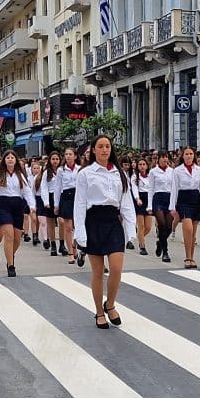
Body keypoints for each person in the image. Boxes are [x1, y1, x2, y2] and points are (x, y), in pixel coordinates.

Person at [74, 135, 137, 328]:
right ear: (93, 150)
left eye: (107, 146)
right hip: (93, 221)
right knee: (98, 272)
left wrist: (130, 227)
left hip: (113, 221)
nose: (104, 150)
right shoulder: (85, 173)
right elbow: (79, 204)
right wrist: (80, 234)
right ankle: (99, 312)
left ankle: (110, 304)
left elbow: (126, 202)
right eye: (100, 146)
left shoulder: (119, 173)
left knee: (116, 269)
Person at [0, 151, 35, 277]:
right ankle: (11, 265)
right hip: (3, 205)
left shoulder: (20, 175)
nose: (10, 159)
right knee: (9, 235)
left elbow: (27, 191)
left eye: (13, 157)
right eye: (8, 157)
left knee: (17, 239)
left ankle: (9, 255)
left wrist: (32, 205)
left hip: (17, 206)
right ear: (4, 160)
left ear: (16, 160)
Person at [169, 147, 200, 269]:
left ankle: (191, 257)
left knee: (193, 232)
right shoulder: (177, 171)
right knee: (187, 228)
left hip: (195, 199)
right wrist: (172, 206)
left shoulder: (199, 170)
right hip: (183, 199)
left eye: (191, 154)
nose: (189, 156)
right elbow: (174, 188)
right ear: (183, 156)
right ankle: (187, 257)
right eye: (186, 154)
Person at [53, 147, 80, 264]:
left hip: (78, 196)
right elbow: (57, 187)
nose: (68, 156)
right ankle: (70, 252)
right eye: (66, 154)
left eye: (70, 154)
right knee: (67, 226)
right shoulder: (61, 170)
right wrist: (56, 204)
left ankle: (75, 247)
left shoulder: (80, 169)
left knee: (78, 226)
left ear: (75, 156)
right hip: (66, 196)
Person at [148, 151, 174, 263]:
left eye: (166, 158)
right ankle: (165, 251)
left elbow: (174, 188)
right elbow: (151, 189)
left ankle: (160, 242)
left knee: (169, 226)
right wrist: (149, 205)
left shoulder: (172, 171)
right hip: (158, 198)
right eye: (162, 158)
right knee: (162, 224)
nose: (164, 160)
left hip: (169, 198)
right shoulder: (153, 172)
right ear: (158, 159)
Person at [132, 156, 153, 255]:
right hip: (140, 200)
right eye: (140, 165)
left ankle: (140, 237)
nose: (142, 166)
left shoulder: (150, 176)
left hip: (148, 199)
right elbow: (134, 189)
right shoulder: (135, 177)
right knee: (141, 225)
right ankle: (142, 245)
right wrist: (137, 198)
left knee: (148, 227)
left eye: (144, 164)